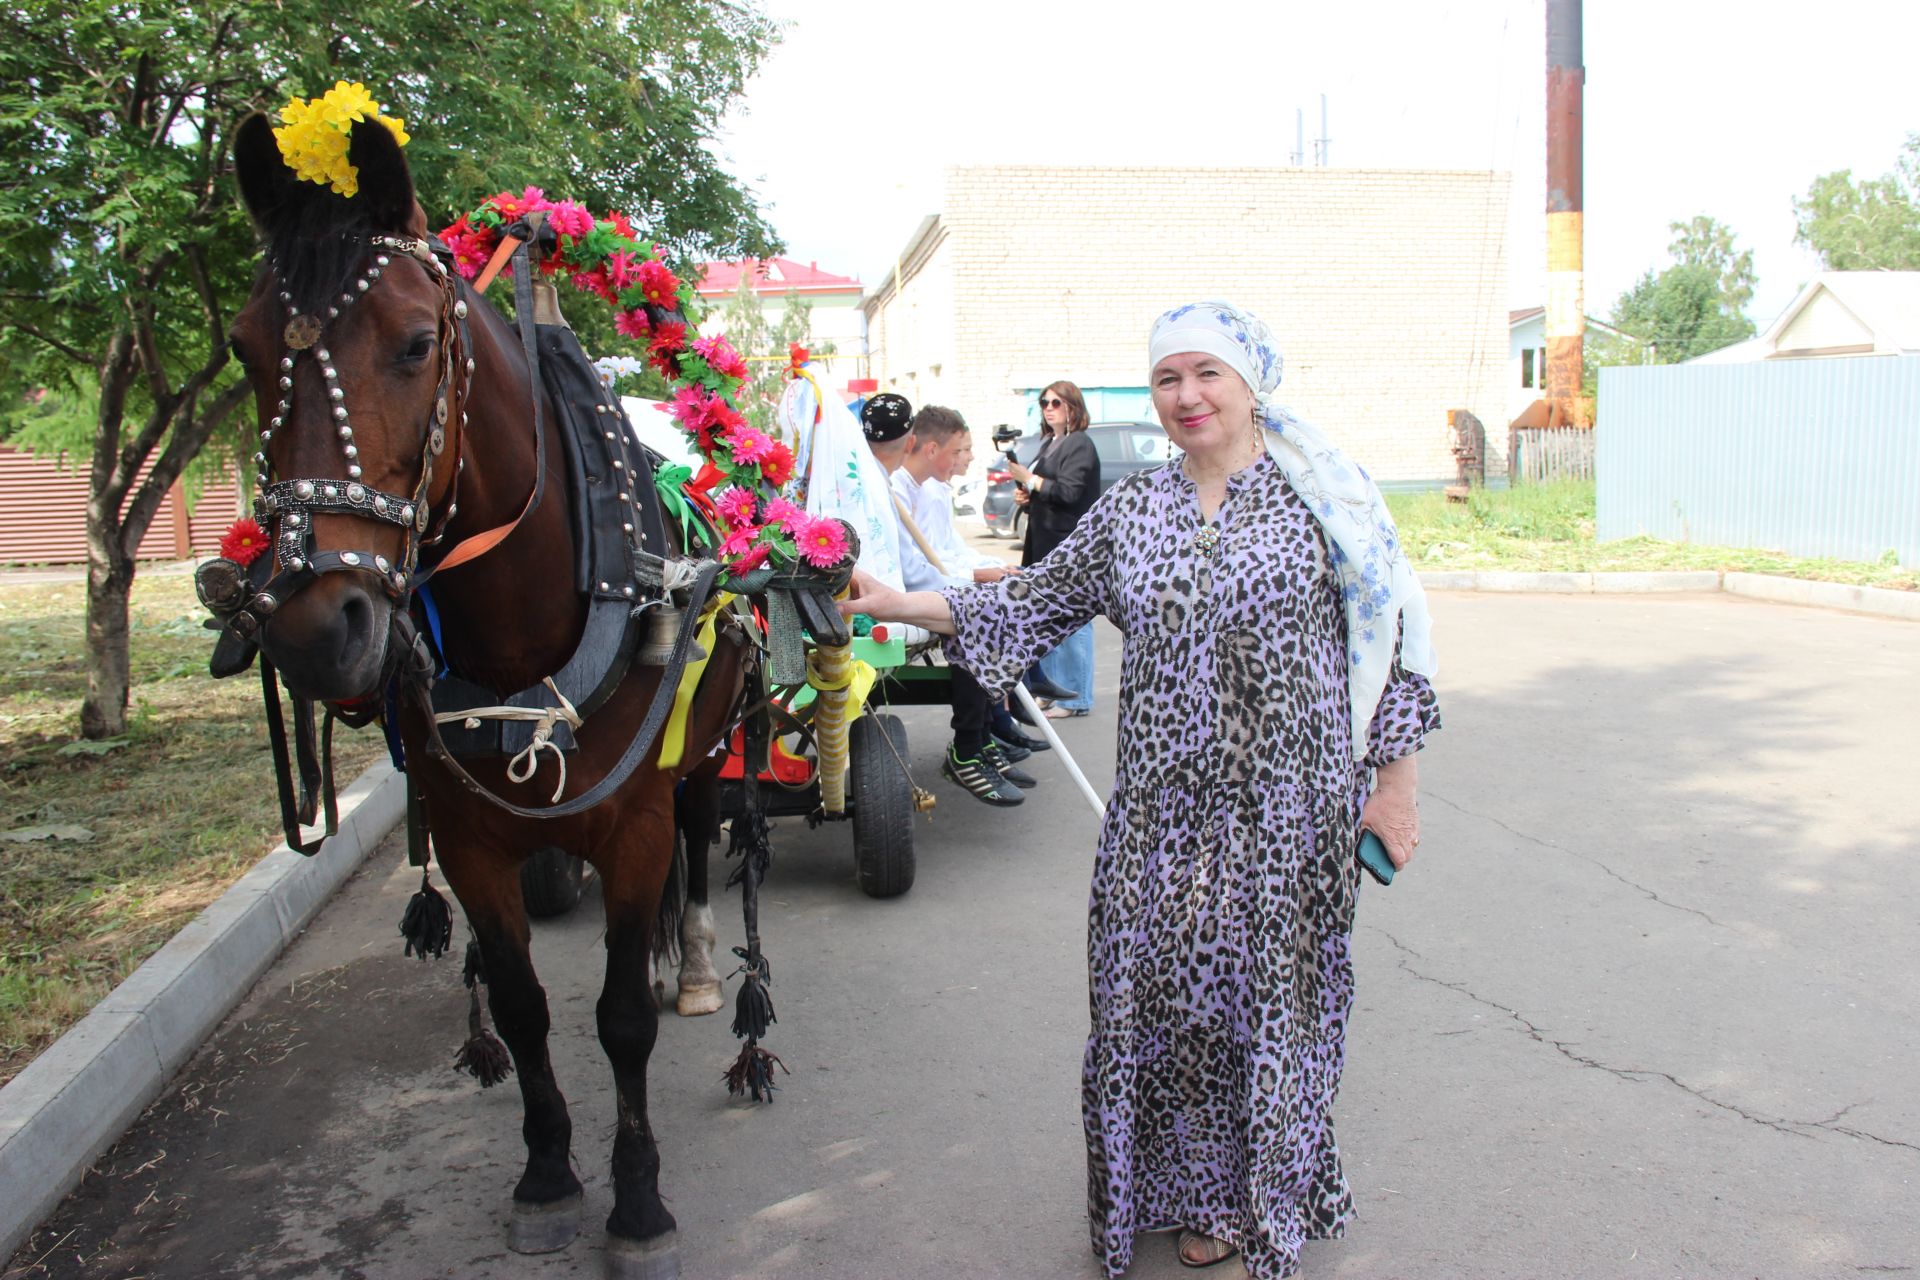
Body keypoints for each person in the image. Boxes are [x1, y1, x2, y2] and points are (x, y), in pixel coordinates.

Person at [841, 301, 1441, 1279]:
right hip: (1162, 820)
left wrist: (1397, 788)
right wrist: (900, 599)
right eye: (1168, 378)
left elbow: (1397, 639)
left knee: (1276, 1005)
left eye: (1207, 374)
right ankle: (1191, 1190)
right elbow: (1031, 601)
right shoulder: (1134, 513)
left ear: (1251, 384)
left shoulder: (1325, 503)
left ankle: (1265, 1194)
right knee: (1161, 1007)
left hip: (1291, 811)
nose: (1187, 395)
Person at [859, 394, 1031, 807]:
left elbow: (930, 558)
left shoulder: (880, 480)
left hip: (899, 587)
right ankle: (969, 746)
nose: (964, 459)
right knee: (978, 616)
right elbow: (914, 571)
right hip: (890, 595)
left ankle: (987, 729)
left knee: (986, 605)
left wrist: (972, 576)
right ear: (912, 441)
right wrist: (970, 581)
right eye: (962, 451)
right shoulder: (885, 486)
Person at [1007, 381, 1098, 719]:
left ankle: (1075, 699)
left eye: (1056, 402)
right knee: (1047, 620)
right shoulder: (1052, 443)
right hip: (1043, 544)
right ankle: (1054, 689)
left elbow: (1071, 494)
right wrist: (1029, 497)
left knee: (1071, 622)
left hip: (1068, 548)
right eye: (1044, 402)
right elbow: (1049, 493)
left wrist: (1030, 480)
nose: (1048, 407)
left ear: (1073, 406)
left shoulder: (1080, 445)